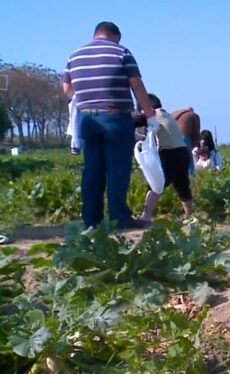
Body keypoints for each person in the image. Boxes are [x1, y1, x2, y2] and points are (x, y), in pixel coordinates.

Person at [61, 21, 155, 232]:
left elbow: (67, 88)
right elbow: (137, 85)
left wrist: (85, 98)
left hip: (87, 120)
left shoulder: (74, 55)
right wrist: (149, 113)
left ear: (96, 34)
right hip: (116, 117)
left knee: (92, 170)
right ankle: (119, 218)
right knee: (118, 170)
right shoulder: (121, 52)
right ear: (115, 36)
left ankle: (91, 221)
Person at [136, 94, 193, 222]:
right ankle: (189, 215)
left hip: (170, 152)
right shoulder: (166, 115)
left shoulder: (152, 115)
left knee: (156, 184)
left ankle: (146, 216)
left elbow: (133, 122)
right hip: (183, 151)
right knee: (182, 184)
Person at [172, 107, 201, 175]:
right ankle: (190, 178)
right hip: (184, 138)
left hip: (171, 138)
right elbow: (196, 134)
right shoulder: (193, 115)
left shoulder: (173, 114)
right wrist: (193, 145)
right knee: (188, 162)